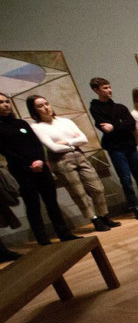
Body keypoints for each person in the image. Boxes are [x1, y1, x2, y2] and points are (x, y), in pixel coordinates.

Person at [27, 95, 117, 232]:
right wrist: (73, 142)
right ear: (34, 110)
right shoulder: (37, 127)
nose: (46, 107)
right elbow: (53, 148)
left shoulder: (65, 121)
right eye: (40, 106)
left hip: (79, 155)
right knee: (78, 193)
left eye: (46, 103)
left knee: (97, 188)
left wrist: (66, 142)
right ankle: (94, 219)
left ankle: (103, 215)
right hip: (60, 160)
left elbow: (84, 139)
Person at [0, 92, 79, 242]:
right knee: (33, 205)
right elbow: (6, 151)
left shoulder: (21, 124)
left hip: (40, 167)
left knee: (52, 202)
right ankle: (42, 239)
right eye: (1, 102)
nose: (6, 105)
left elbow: (37, 144)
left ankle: (64, 233)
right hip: (22, 171)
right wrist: (28, 164)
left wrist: (40, 160)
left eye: (7, 102)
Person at [89, 77, 138, 219]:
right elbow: (105, 128)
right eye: (105, 88)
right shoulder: (95, 108)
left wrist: (114, 126)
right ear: (96, 90)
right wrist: (119, 125)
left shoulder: (120, 107)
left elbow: (130, 124)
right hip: (115, 148)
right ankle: (135, 207)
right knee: (126, 179)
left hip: (129, 145)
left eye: (109, 86)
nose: (109, 90)